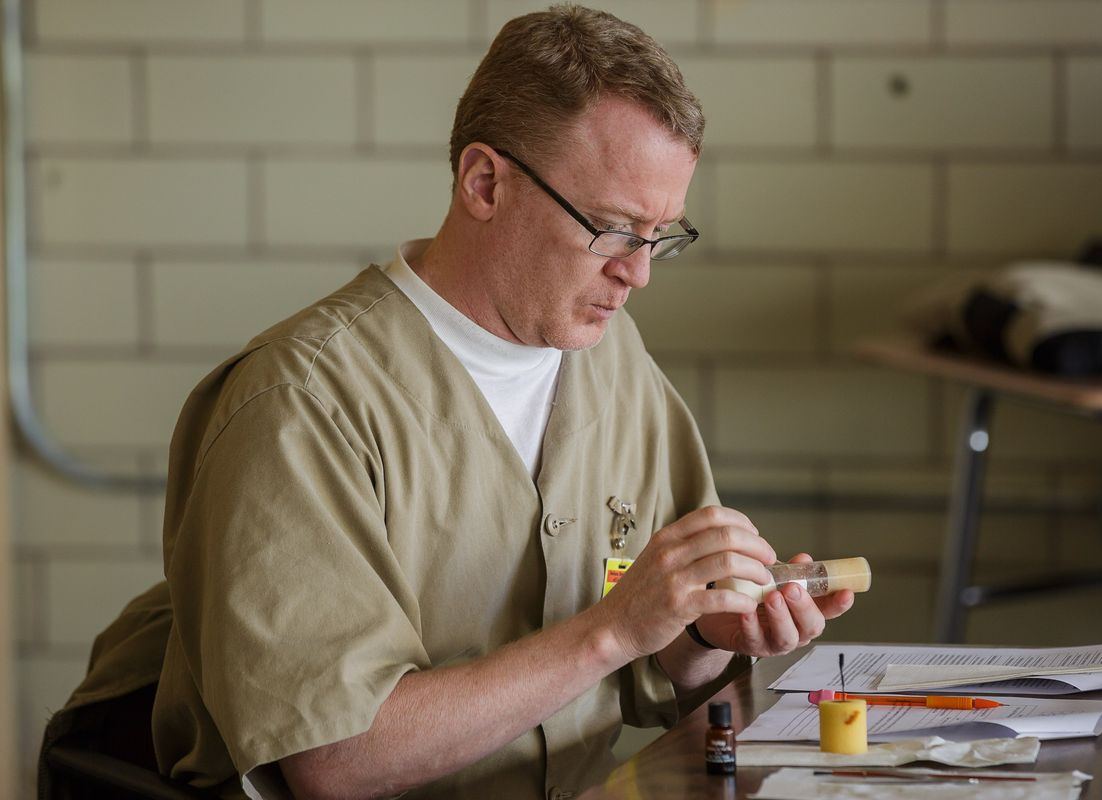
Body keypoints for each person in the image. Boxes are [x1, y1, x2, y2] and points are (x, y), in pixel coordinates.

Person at [42, 6, 854, 800]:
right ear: (484, 182)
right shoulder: (298, 404)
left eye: (662, 238)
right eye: (611, 229)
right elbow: (336, 760)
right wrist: (610, 629)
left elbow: (662, 656)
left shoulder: (613, 361)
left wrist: (708, 638)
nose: (636, 275)